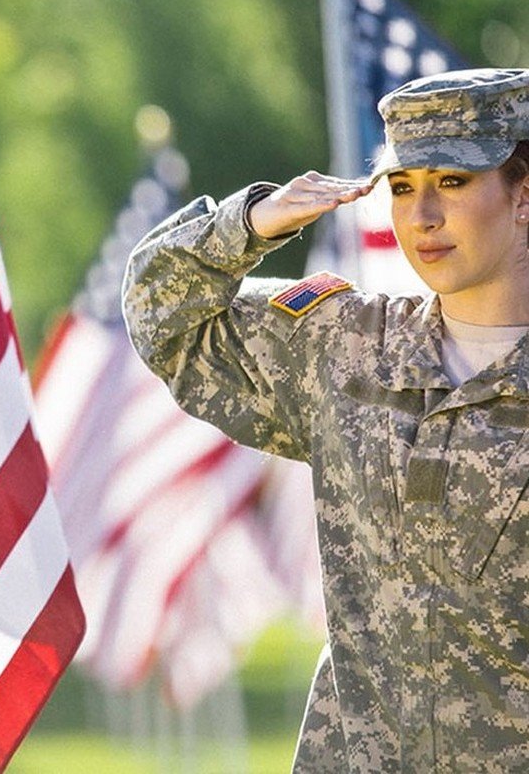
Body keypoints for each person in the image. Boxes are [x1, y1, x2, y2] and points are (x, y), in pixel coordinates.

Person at [122, 67, 529, 773]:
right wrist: (248, 224)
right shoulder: (343, 349)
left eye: (453, 183)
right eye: (403, 187)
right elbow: (165, 314)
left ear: (523, 195)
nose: (422, 216)